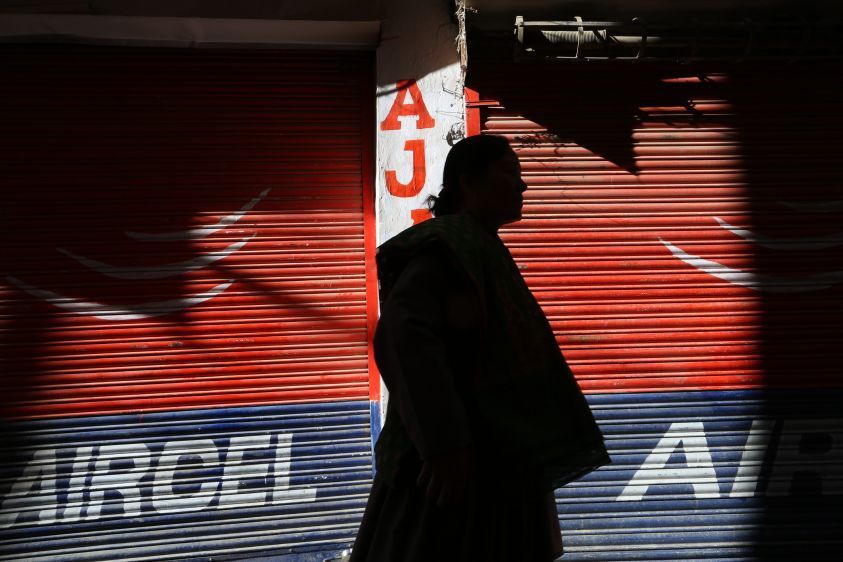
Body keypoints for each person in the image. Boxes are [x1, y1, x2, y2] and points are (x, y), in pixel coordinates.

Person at [349, 135, 609, 562]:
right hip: (454, 476)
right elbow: (403, 335)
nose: (522, 186)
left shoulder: (479, 246)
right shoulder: (447, 247)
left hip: (494, 464)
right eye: (510, 173)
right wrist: (443, 443)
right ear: (468, 183)